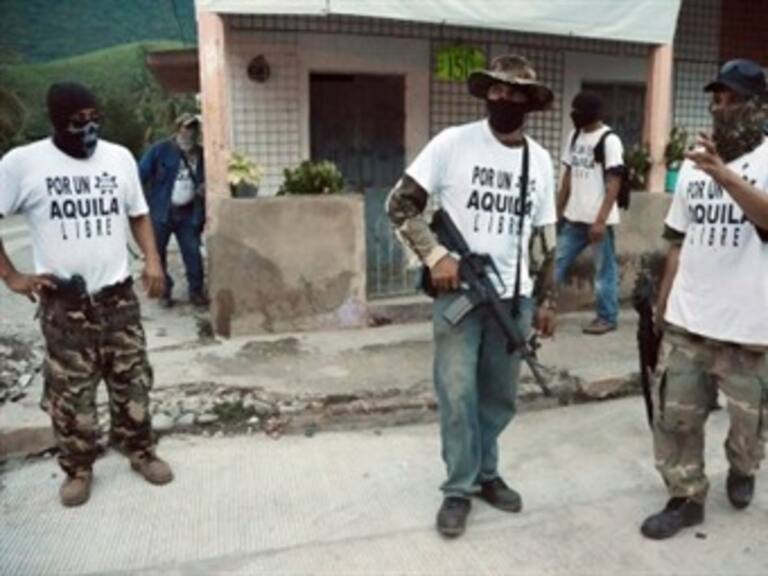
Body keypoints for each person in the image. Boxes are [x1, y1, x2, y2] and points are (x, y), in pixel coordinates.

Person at [387, 55, 558, 538]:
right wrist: (436, 256)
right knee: (458, 394)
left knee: (499, 398)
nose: (502, 99)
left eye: (513, 93)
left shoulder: (539, 161)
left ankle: (487, 474)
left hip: (514, 300)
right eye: (496, 91)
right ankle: (458, 488)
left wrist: (546, 300)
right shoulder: (453, 143)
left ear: (529, 101)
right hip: (460, 297)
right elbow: (399, 203)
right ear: (485, 95)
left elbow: (544, 238)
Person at [0, 82, 174, 507]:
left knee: (133, 383)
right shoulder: (22, 164)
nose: (89, 128)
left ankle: (140, 450)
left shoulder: (118, 158)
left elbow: (139, 213)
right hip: (65, 305)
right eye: (79, 121)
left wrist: (153, 260)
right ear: (57, 121)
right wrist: (12, 277)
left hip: (117, 300)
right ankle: (78, 468)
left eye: (95, 118)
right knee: (72, 395)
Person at [641, 59, 768, 540]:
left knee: (749, 427)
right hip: (689, 319)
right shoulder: (692, 167)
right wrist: (662, 301)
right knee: (676, 418)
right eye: (717, 99)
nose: (722, 107)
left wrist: (726, 177)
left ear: (758, 107)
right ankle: (685, 496)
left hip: (752, 327)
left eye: (733, 99)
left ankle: (742, 469)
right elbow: (678, 241)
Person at [555, 91, 624, 335]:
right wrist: (557, 211)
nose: (574, 116)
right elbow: (567, 178)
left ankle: (607, 317)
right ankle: (542, 307)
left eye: (578, 111)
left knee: (604, 271)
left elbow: (614, 182)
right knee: (555, 263)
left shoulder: (609, 140)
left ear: (592, 113)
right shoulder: (574, 136)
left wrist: (601, 220)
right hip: (574, 218)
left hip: (598, 221)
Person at [139, 113, 208, 308]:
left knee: (192, 252)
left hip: (188, 212)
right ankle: (164, 291)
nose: (190, 132)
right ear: (178, 129)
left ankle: (196, 290)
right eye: (186, 127)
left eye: (194, 128)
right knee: (158, 253)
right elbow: (140, 174)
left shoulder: (202, 154)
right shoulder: (159, 150)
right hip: (162, 211)